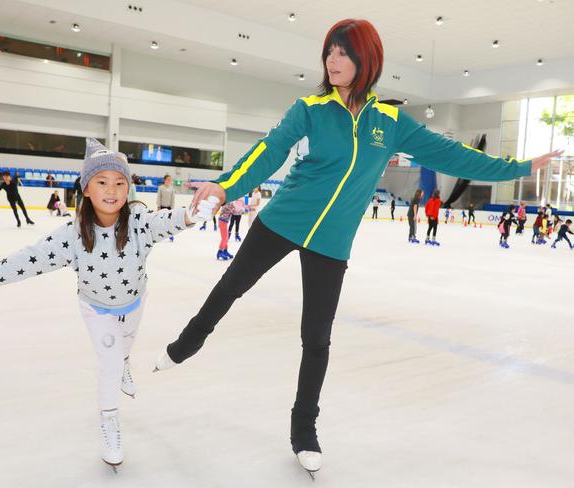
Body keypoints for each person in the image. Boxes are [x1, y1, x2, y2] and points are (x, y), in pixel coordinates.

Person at [150, 18, 561, 476]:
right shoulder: (309, 108)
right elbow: (268, 152)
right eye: (329, 51)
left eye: (343, 52)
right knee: (230, 287)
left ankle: (303, 428)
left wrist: (520, 165)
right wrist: (226, 186)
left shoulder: (389, 123)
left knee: (317, 339)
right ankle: (185, 345)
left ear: (367, 59)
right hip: (283, 219)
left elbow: (453, 156)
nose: (333, 60)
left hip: (331, 241)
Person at [0, 138, 216, 471]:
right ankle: (109, 420)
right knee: (108, 364)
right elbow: (27, 259)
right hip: (96, 309)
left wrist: (191, 214)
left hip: (134, 302)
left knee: (124, 348)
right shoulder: (71, 234)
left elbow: (167, 221)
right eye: (102, 182)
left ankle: (125, 359)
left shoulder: (138, 222)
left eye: (119, 182)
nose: (112, 190)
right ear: (86, 189)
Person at [157, 175, 176, 242]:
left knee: (169, 222)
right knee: (161, 221)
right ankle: (159, 234)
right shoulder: (161, 188)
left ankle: (170, 235)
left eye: (170, 179)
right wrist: (158, 206)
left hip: (169, 208)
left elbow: (172, 199)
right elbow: (159, 197)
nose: (169, 181)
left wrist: (172, 208)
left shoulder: (172, 188)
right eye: (168, 179)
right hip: (162, 207)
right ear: (164, 180)